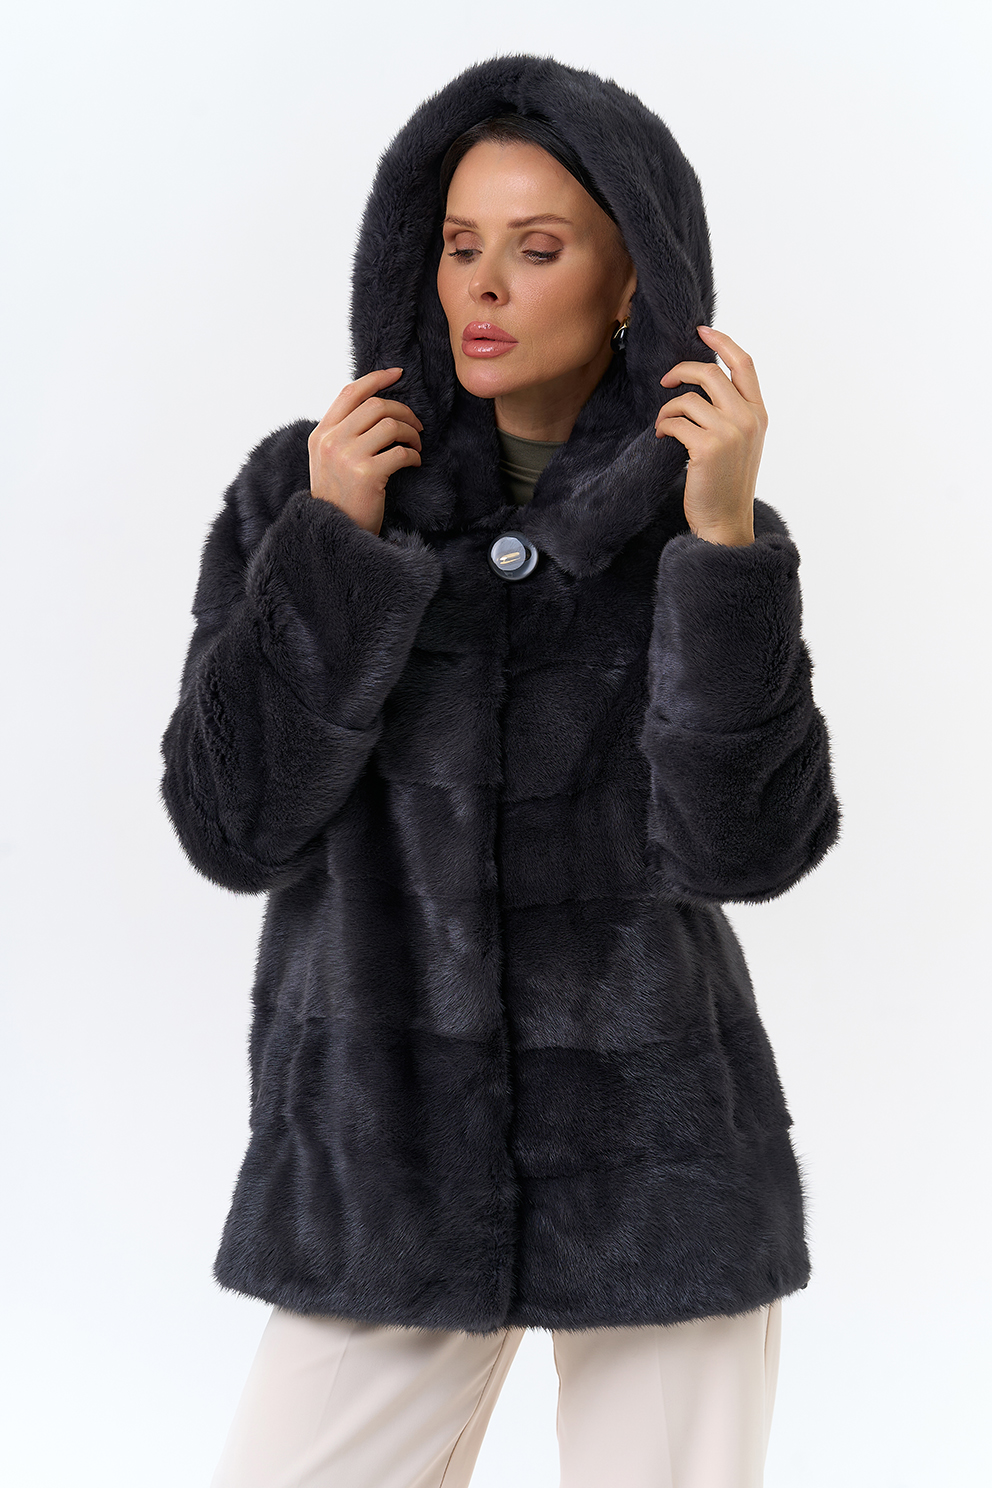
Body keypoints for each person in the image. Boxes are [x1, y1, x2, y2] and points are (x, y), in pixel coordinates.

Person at [160, 53, 840, 1488]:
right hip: (381, 1161)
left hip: (660, 1163)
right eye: (460, 244)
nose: (483, 285)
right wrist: (336, 549)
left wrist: (723, 546)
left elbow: (750, 851)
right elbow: (231, 825)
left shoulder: (702, 522)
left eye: (537, 249)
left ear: (630, 279)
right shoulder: (310, 490)